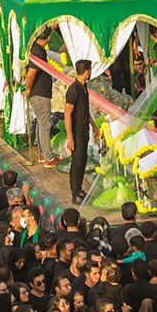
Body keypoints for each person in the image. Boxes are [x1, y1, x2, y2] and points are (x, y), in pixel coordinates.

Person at [26, 30, 58, 166]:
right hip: (40, 94)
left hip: (39, 93)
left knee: (41, 123)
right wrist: (28, 89)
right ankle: (48, 158)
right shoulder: (38, 51)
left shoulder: (36, 49)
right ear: (48, 37)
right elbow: (31, 74)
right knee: (45, 125)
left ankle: (42, 153)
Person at [65, 59, 94, 204]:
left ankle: (79, 189)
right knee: (76, 162)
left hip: (84, 131)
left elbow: (85, 110)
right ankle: (74, 193)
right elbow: (67, 114)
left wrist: (94, 126)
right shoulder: (74, 90)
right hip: (76, 133)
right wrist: (70, 137)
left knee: (83, 161)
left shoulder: (84, 87)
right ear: (86, 71)